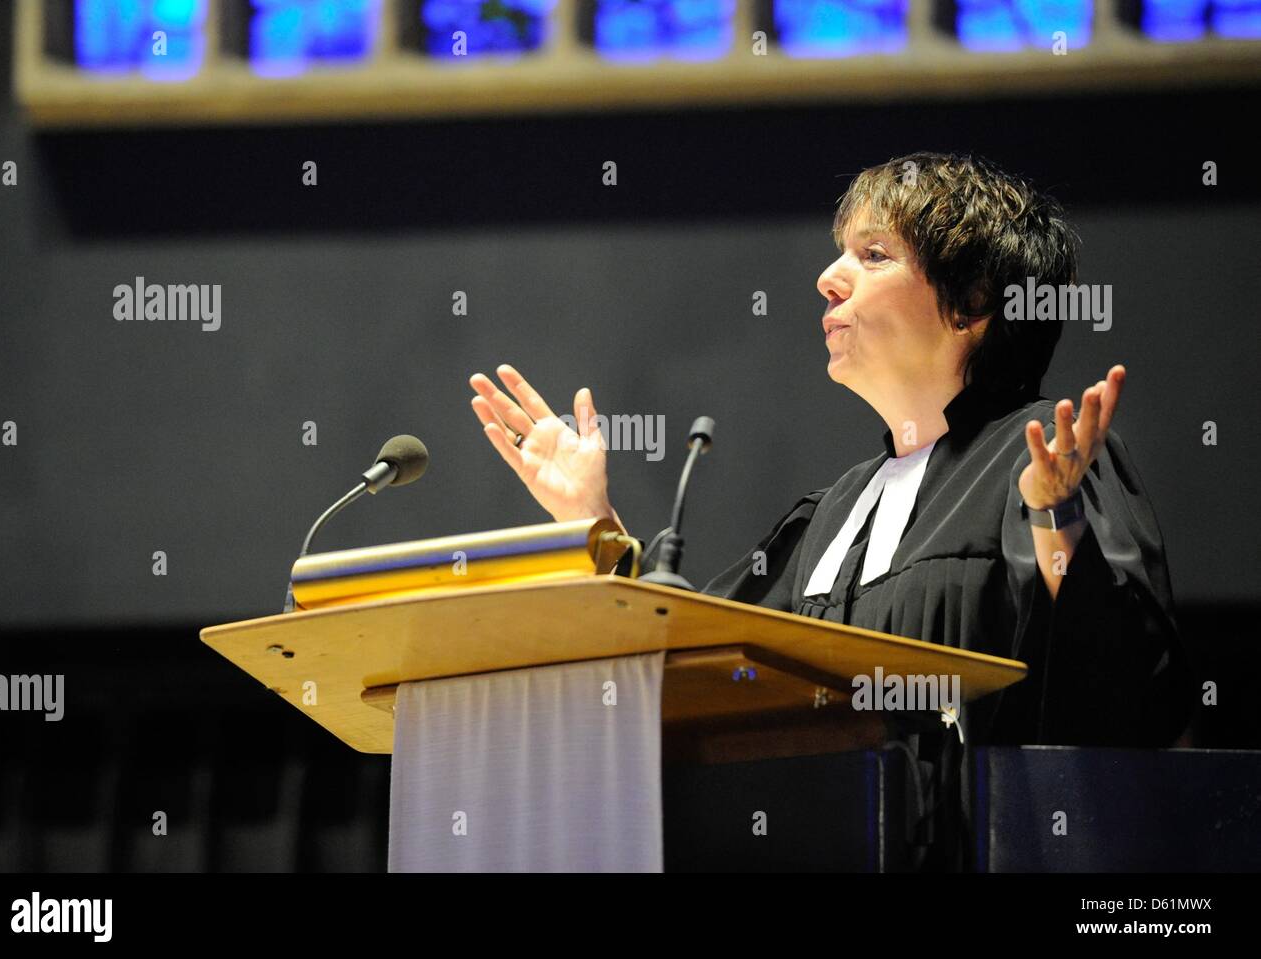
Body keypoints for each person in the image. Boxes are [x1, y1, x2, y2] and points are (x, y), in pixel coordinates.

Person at [467, 152, 1194, 761]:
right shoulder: (838, 512)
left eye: (873, 255)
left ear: (971, 302)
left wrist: (1054, 518)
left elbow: (1136, 703)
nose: (829, 275)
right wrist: (594, 524)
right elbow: (700, 663)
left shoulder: (1048, 457)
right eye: (842, 250)